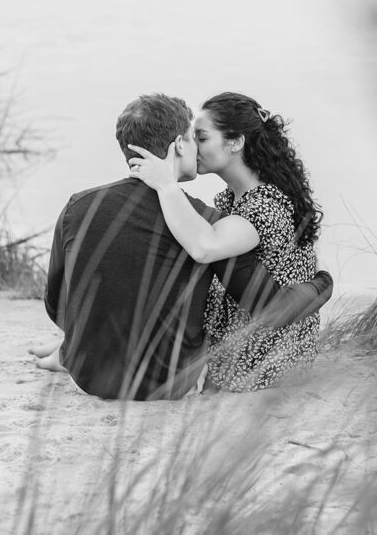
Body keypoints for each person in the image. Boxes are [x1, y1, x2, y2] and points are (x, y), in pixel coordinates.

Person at [37, 93, 332, 401]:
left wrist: (80, 340)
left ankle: (69, 352)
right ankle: (70, 350)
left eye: (202, 137)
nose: (197, 145)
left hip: (262, 345)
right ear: (178, 145)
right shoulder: (209, 213)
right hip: (176, 374)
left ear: (235, 143)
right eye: (194, 137)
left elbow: (57, 304)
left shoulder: (79, 206)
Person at [128, 92, 323, 393]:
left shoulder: (266, 206)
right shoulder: (231, 198)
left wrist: (167, 184)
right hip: (242, 338)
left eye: (201, 138)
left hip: (264, 357)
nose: (191, 146)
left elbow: (205, 248)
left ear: (234, 143)